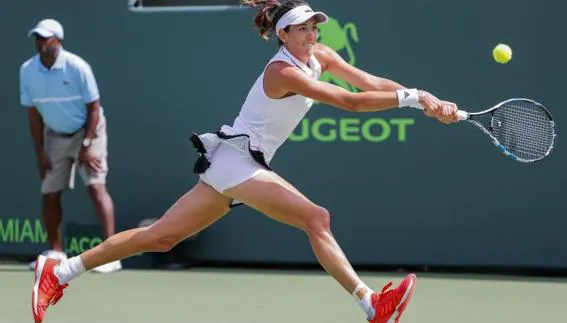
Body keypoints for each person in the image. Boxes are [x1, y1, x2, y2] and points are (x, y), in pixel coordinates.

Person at [30, 2, 459, 323]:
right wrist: (411, 99)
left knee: (160, 237)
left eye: (314, 28)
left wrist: (426, 99)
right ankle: (372, 305)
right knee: (317, 218)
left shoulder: (320, 56)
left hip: (240, 163)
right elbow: (349, 101)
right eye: (301, 30)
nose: (311, 35)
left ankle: (59, 272)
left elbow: (367, 82)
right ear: (282, 36)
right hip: (239, 161)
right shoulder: (282, 73)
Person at [20, 19, 122, 275]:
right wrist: (40, 152)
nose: (41, 43)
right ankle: (55, 251)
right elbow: (33, 114)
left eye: (46, 38)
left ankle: (111, 255)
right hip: (54, 134)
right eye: (38, 38)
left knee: (97, 187)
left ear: (58, 41)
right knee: (50, 192)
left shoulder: (77, 67)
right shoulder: (27, 70)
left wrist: (87, 145)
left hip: (89, 130)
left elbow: (94, 108)